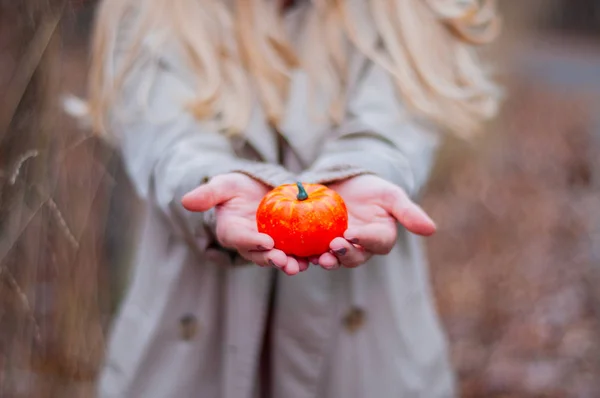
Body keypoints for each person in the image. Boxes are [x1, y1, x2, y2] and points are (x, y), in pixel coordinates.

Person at [84, 0, 501, 396]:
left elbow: (389, 130)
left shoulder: (408, 11)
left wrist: (360, 174)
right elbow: (171, 142)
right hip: (187, 356)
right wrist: (215, 186)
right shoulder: (157, 11)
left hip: (366, 361)